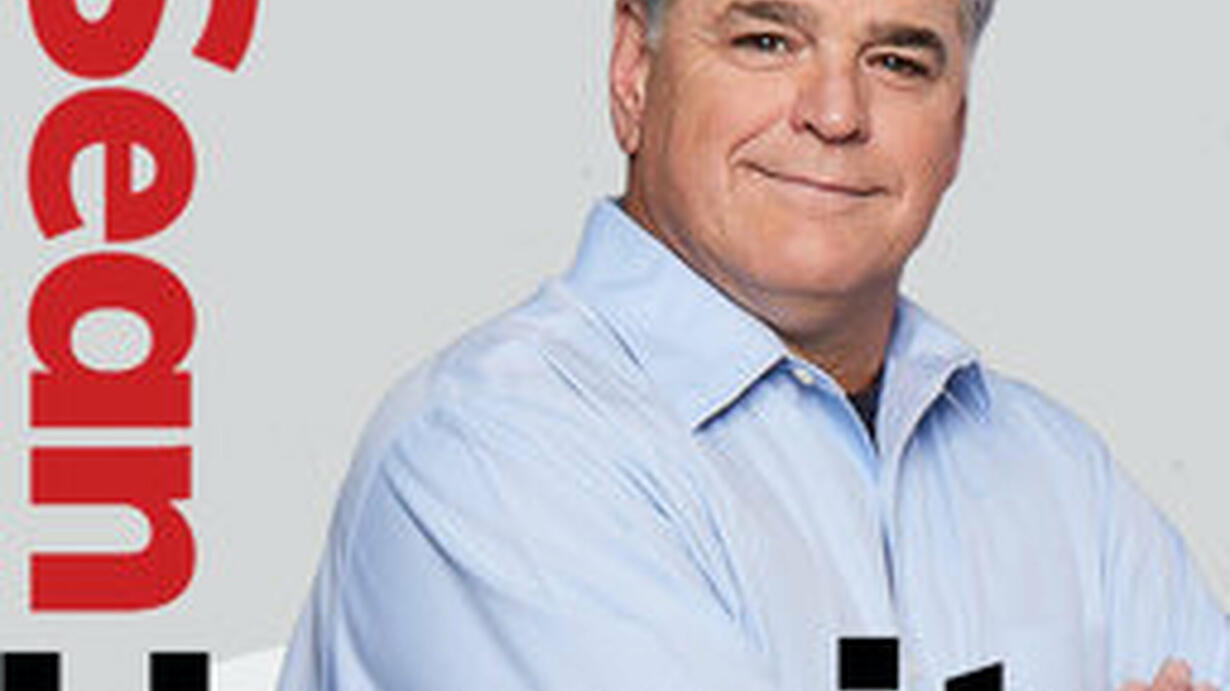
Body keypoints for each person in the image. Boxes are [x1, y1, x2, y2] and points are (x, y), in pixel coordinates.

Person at [277, 0, 1230, 688]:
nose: (835, 113)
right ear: (634, 71)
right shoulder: (488, 450)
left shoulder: (1061, 476)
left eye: (899, 61)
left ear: (959, 127)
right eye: (767, 40)